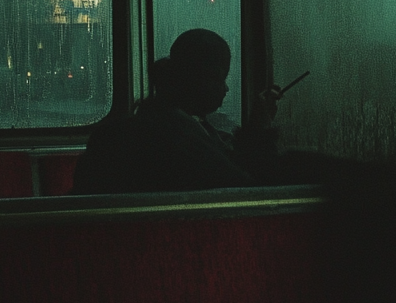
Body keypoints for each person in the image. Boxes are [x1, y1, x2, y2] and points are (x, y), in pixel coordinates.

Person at [71, 29, 281, 194]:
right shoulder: (180, 137)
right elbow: (244, 185)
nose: (225, 88)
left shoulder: (127, 129)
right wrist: (261, 130)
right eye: (219, 78)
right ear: (196, 80)